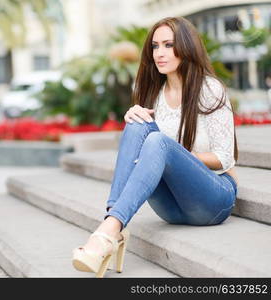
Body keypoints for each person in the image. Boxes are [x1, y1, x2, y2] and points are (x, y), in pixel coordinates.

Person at [72, 16, 239, 278]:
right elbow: (145, 147)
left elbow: (225, 157)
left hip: (214, 198)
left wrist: (176, 156)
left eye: (168, 45)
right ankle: (113, 221)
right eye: (155, 46)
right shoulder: (155, 94)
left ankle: (109, 231)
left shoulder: (210, 89)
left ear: (186, 46)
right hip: (172, 208)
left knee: (158, 142)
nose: (159, 53)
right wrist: (135, 120)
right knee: (138, 124)